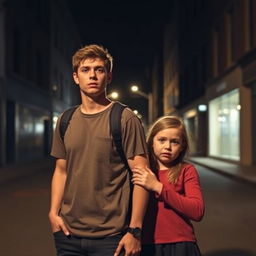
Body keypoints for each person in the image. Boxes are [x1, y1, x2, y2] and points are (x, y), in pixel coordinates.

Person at [49, 44, 149, 256]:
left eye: (99, 69)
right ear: (76, 77)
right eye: (85, 70)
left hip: (112, 237)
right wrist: (52, 213)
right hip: (68, 235)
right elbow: (61, 170)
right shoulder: (66, 120)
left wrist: (135, 231)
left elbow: (143, 177)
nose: (92, 75)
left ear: (109, 77)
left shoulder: (124, 118)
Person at [132, 116, 205, 256]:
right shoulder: (141, 170)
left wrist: (158, 187)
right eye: (162, 140)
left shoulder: (186, 170)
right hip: (146, 243)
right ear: (151, 141)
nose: (167, 147)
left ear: (182, 145)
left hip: (180, 244)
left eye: (175, 142)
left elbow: (197, 211)